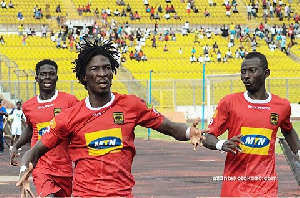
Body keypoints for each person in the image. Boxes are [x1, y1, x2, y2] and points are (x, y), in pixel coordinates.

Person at [17, 41, 206, 197]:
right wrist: (23, 170)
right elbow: (35, 151)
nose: (102, 74)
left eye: (107, 68)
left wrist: (190, 131)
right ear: (84, 76)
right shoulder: (69, 117)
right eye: (95, 69)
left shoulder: (131, 105)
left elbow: (170, 127)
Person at [203, 52, 300, 197]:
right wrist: (221, 144)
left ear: (266, 73)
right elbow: (207, 136)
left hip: (267, 188)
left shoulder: (282, 105)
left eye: (252, 71)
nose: (246, 76)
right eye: (243, 72)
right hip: (235, 189)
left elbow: (288, 131)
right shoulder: (229, 103)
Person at [10, 59, 79, 197]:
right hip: (41, 165)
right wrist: (16, 146)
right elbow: (30, 128)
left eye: (51, 74)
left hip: (64, 167)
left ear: (57, 77)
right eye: (43, 74)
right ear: (37, 78)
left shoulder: (70, 101)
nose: (47, 77)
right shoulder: (29, 106)